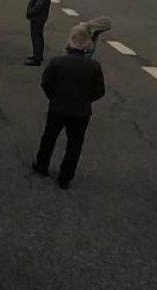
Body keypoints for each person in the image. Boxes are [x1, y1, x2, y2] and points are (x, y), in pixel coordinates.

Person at [31, 31, 105, 188]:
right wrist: (86, 100)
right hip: (81, 111)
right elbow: (99, 91)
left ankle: (42, 165)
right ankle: (66, 176)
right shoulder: (93, 66)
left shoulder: (57, 62)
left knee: (49, 137)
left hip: (58, 107)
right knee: (75, 144)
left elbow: (46, 83)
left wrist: (54, 97)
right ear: (87, 48)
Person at [24, 0, 52, 66]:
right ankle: (37, 55)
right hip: (39, 17)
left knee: (36, 37)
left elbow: (38, 6)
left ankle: (37, 58)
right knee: (37, 37)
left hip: (38, 18)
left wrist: (31, 12)